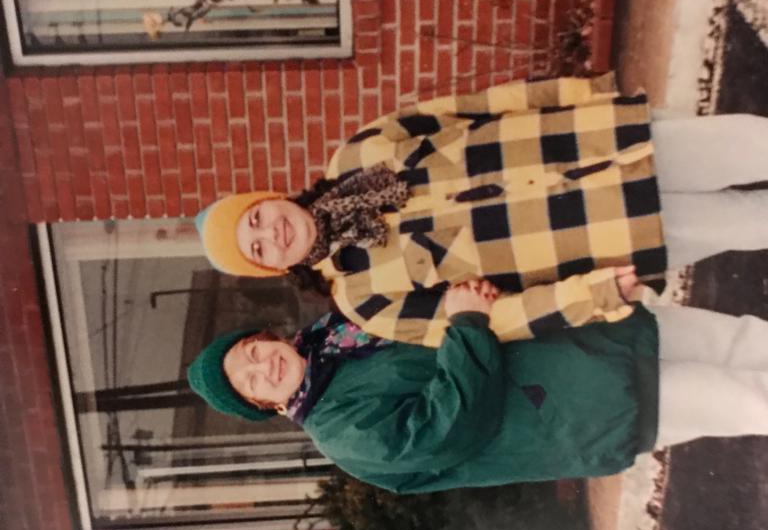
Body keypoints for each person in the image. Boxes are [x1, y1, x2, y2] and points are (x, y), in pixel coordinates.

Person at [195, 73, 768, 346]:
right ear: (272, 268)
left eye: (255, 218)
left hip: (594, 143)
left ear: (265, 198)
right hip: (600, 236)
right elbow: (491, 320)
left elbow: (469, 109)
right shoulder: (363, 299)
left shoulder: (356, 152)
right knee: (746, 221)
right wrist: (590, 296)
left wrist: (576, 93)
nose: (272, 232)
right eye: (259, 249)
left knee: (746, 141)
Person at [186, 281, 768, 494]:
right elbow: (451, 427)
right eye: (250, 381)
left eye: (252, 353)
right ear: (261, 405)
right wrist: (467, 324)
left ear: (266, 336)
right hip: (580, 407)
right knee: (750, 399)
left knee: (745, 344)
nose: (263, 367)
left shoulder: (342, 326)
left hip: (591, 337)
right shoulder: (341, 433)